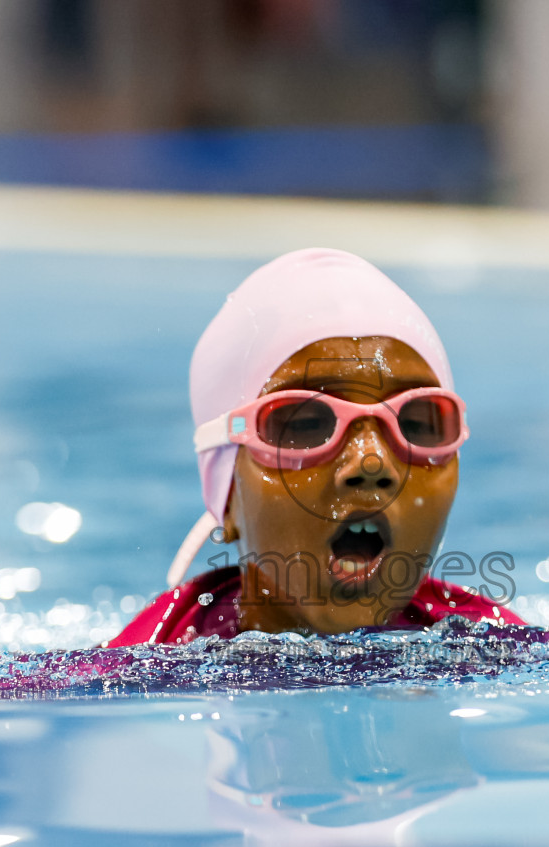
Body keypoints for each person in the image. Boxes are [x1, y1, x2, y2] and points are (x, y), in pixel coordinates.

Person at [109, 248, 523, 646]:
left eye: (416, 422)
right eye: (306, 425)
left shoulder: (504, 648)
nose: (372, 462)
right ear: (226, 495)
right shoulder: (132, 675)